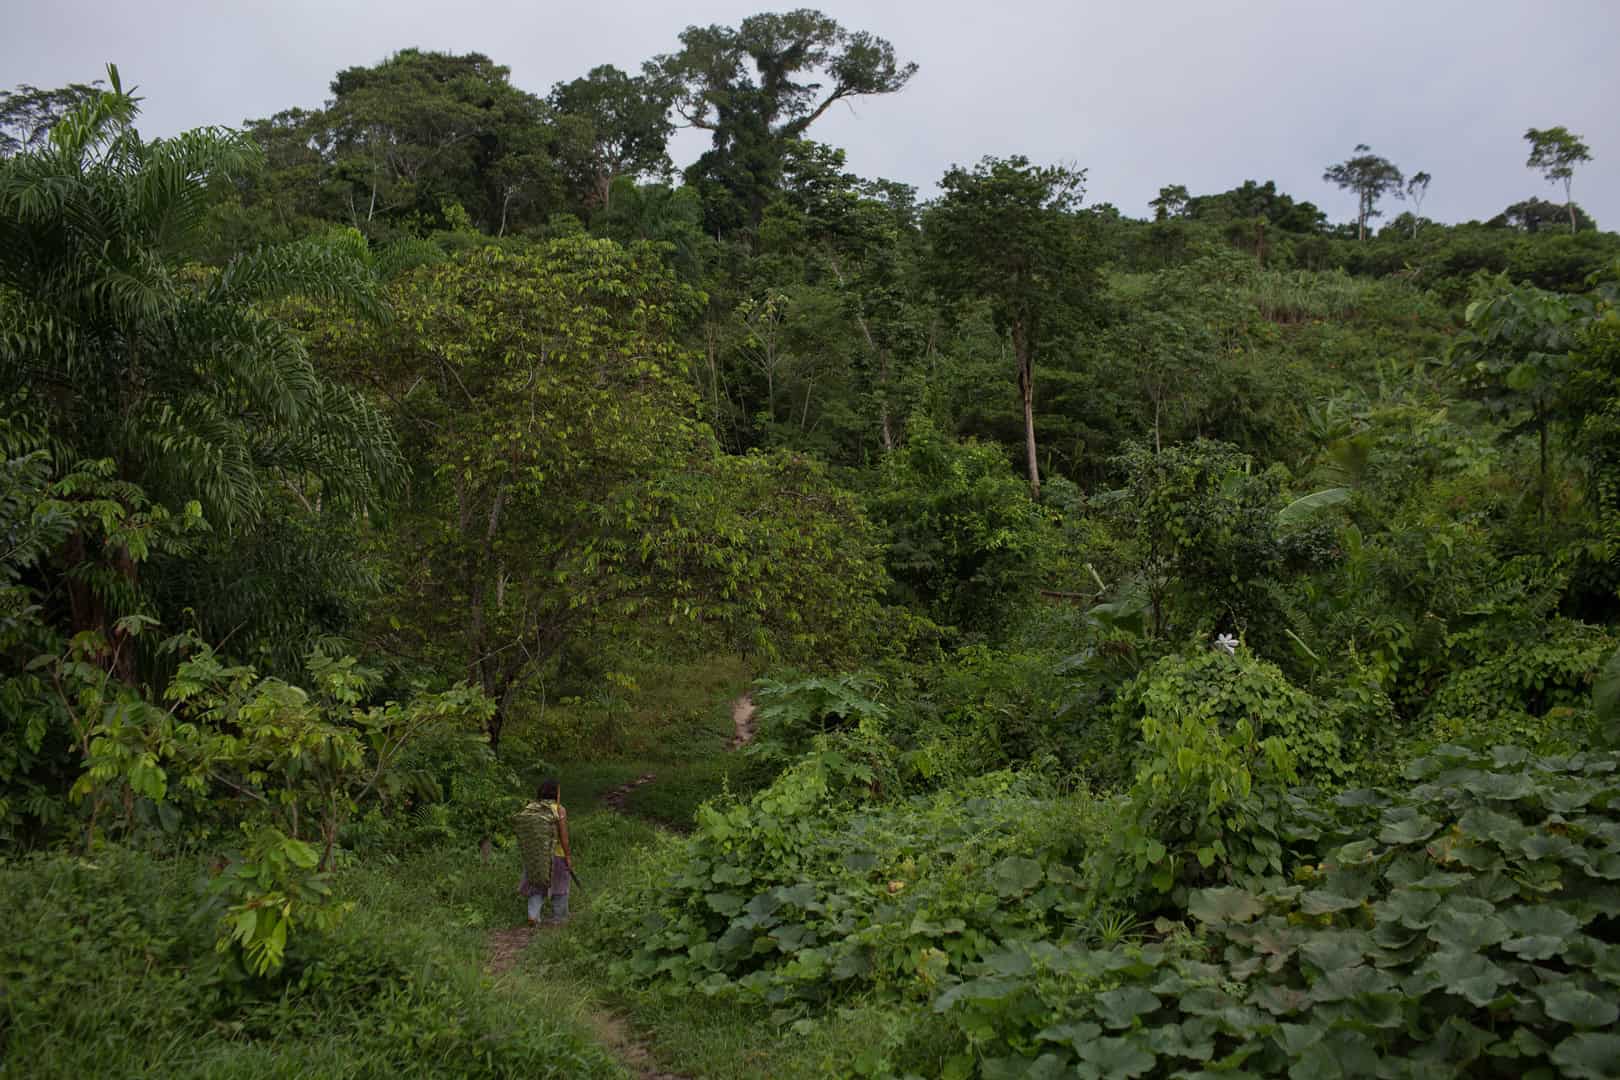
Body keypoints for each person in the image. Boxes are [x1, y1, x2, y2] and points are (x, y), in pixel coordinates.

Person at [514, 778, 574, 927]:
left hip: (536, 856)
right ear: (556, 793)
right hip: (556, 855)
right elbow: (564, 837)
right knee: (560, 886)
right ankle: (559, 918)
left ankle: (533, 916)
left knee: (537, 885)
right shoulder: (559, 809)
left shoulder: (531, 807)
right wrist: (568, 856)